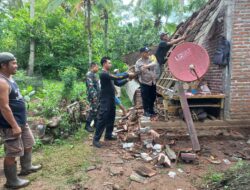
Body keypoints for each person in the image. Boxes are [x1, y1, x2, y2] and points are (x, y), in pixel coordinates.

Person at [0, 52, 42, 189]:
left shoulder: (9, 78)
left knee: (28, 143)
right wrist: (14, 125)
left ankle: (26, 167)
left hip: (21, 121)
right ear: (3, 65)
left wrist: (22, 121)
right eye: (13, 63)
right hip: (11, 125)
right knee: (13, 152)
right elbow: (4, 107)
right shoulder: (1, 82)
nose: (16, 65)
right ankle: (11, 182)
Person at [92, 57, 134, 148]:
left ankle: (108, 135)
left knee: (111, 116)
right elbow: (118, 76)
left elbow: (118, 83)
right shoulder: (103, 74)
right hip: (105, 99)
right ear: (104, 64)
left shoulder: (108, 74)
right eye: (109, 63)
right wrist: (127, 73)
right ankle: (95, 139)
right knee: (103, 118)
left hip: (111, 98)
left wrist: (127, 79)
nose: (110, 64)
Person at [135, 47, 158, 117]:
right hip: (144, 82)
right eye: (146, 52)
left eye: (148, 51)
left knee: (153, 96)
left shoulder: (151, 58)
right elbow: (136, 71)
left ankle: (151, 110)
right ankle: (146, 111)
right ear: (142, 53)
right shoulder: (138, 62)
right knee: (145, 97)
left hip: (152, 82)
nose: (148, 53)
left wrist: (147, 66)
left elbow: (155, 63)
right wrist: (141, 69)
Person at [85, 62, 100, 132]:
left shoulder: (94, 74)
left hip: (97, 95)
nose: (98, 68)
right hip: (93, 96)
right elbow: (90, 87)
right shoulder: (89, 74)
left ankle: (96, 124)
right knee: (93, 110)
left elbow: (97, 85)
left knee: (97, 110)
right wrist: (94, 96)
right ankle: (87, 125)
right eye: (97, 67)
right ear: (93, 67)